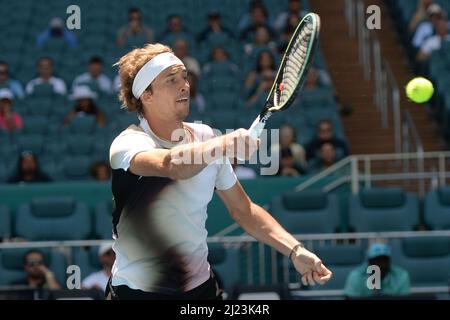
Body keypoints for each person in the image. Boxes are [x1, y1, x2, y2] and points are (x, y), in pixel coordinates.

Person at [107, 43, 332, 299]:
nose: (185, 85)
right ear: (146, 95)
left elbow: (243, 210)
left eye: (185, 77)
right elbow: (172, 166)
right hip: (135, 293)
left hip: (200, 290)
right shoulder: (128, 144)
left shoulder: (206, 137)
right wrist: (224, 144)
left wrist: (295, 249)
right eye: (171, 80)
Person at [344, 243, 410, 298]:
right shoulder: (356, 276)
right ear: (369, 262)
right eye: (376, 261)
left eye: (383, 260)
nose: (380, 265)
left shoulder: (401, 276)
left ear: (389, 261)